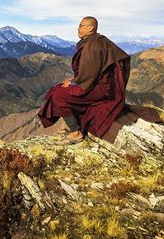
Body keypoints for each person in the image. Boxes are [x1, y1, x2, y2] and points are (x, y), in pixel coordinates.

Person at [37, 16, 130, 144]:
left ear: (90, 28)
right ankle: (76, 126)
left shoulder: (92, 46)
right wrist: (74, 80)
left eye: (81, 25)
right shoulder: (98, 41)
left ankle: (75, 132)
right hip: (102, 85)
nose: (78, 29)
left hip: (99, 88)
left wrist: (75, 81)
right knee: (59, 89)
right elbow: (94, 70)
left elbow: (89, 75)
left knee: (58, 94)